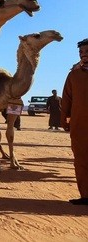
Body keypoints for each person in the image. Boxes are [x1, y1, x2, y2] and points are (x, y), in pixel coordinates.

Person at [61, 38, 88, 205]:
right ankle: (85, 195)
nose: (84, 55)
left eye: (87, 52)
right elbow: (67, 100)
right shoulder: (74, 75)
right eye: (81, 52)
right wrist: (65, 120)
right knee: (82, 159)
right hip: (80, 125)